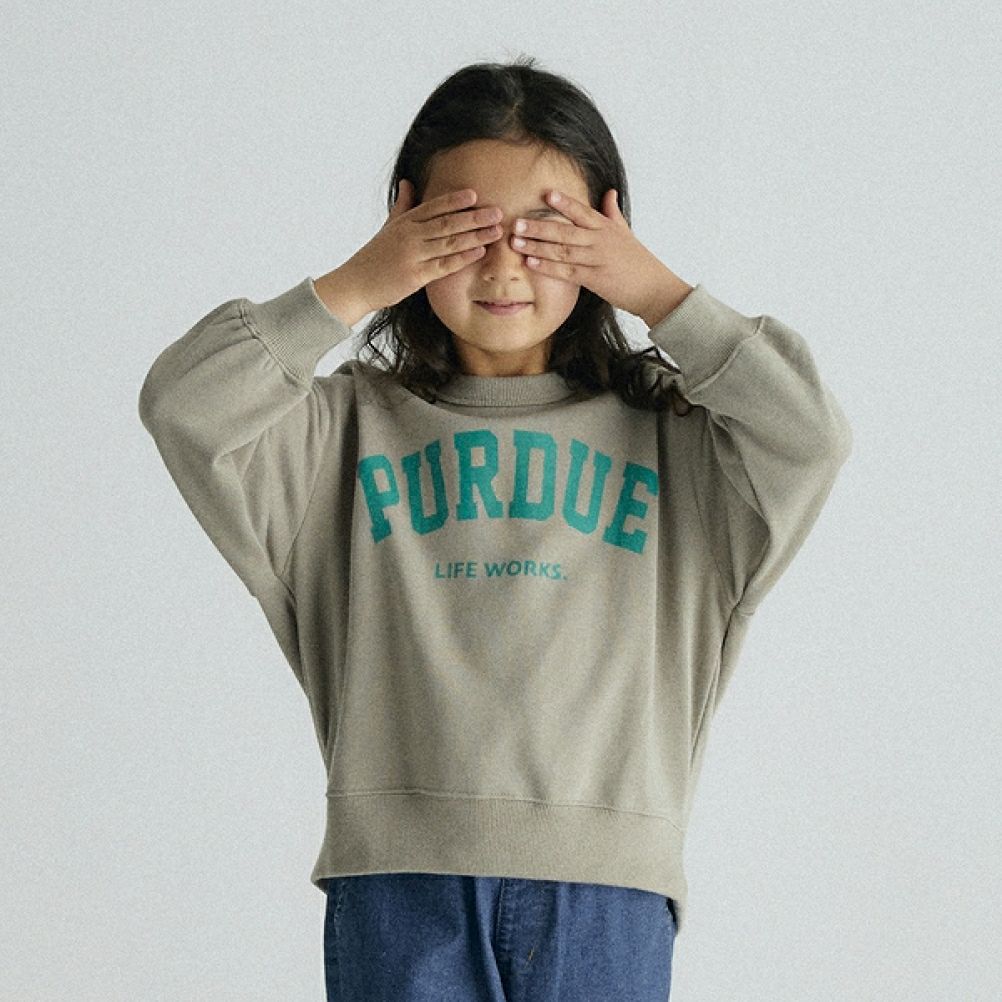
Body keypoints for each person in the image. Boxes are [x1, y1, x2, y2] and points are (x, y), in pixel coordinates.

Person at [138, 56, 852, 1002]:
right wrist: (357, 282)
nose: (505, 264)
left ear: (608, 229)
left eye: (548, 232)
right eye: (464, 229)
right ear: (405, 219)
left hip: (609, 888)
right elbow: (183, 403)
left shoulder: (681, 437)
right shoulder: (335, 436)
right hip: (400, 885)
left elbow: (811, 434)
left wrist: (660, 295)